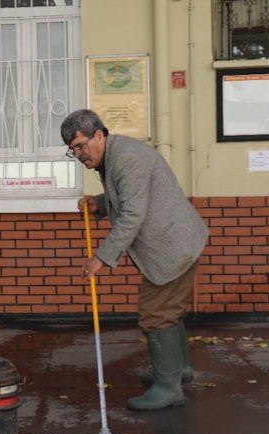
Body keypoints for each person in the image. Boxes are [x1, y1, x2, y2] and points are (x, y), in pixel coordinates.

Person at [60, 109, 209, 411]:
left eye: (80, 146)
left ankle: (168, 388)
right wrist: (99, 205)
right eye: (72, 150)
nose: (77, 154)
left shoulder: (126, 158)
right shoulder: (114, 155)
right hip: (174, 243)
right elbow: (129, 198)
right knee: (169, 310)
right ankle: (178, 371)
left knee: (156, 313)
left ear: (98, 135)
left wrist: (100, 259)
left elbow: (132, 215)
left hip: (172, 247)